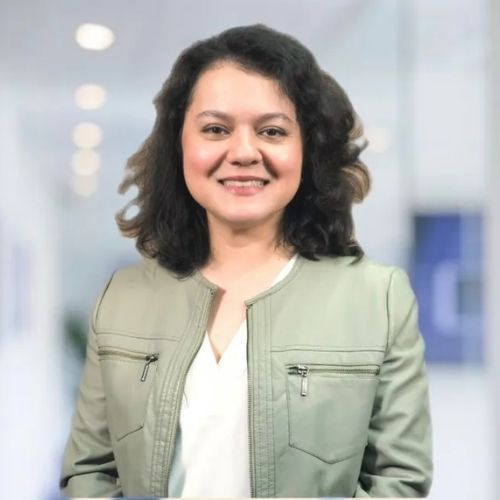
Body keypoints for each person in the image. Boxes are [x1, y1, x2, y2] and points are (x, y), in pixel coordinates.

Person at [60, 24, 433, 498]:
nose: (242, 152)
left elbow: (397, 483)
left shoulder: (378, 299)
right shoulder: (122, 299)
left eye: (272, 131)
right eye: (215, 129)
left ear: (308, 149)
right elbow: (89, 472)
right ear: (180, 146)